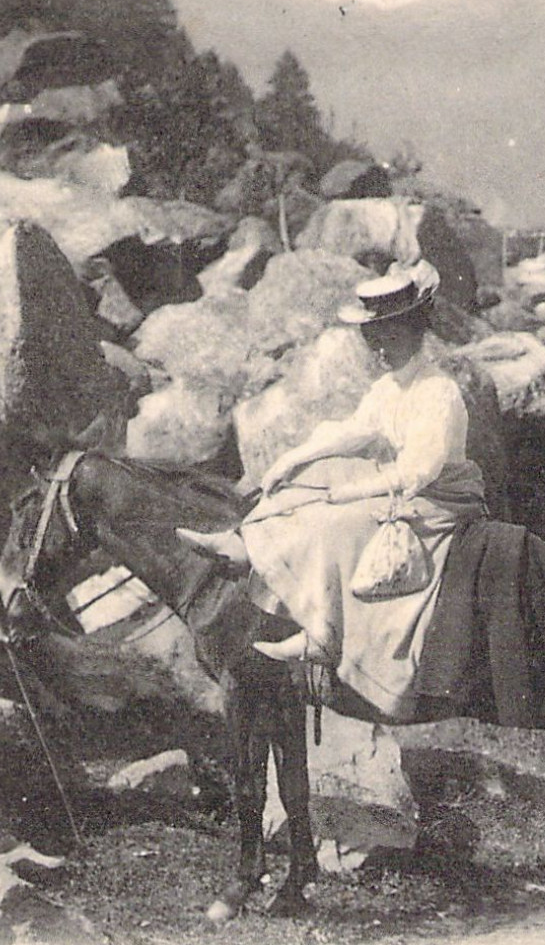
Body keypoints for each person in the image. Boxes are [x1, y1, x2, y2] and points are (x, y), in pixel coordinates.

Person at [177, 261, 488, 719]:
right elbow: (351, 431)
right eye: (372, 338)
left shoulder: (437, 391)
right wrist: (293, 459)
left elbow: (419, 470)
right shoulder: (388, 388)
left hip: (438, 499)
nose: (379, 347)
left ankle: (322, 634)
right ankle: (241, 544)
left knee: (334, 520)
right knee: (306, 485)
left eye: (388, 336)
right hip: (402, 487)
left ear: (412, 331)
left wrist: (355, 493)